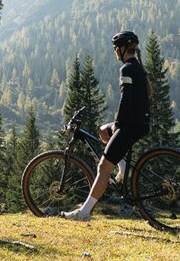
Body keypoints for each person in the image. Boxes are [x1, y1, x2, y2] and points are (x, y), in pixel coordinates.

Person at [62, 30, 152, 221]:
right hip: (141, 122)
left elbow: (125, 99)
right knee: (104, 131)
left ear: (122, 49)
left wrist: (118, 123)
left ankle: (84, 212)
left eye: (115, 49)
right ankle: (122, 167)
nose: (114, 52)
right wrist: (114, 126)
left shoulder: (127, 69)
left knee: (103, 168)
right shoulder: (139, 68)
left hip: (130, 126)